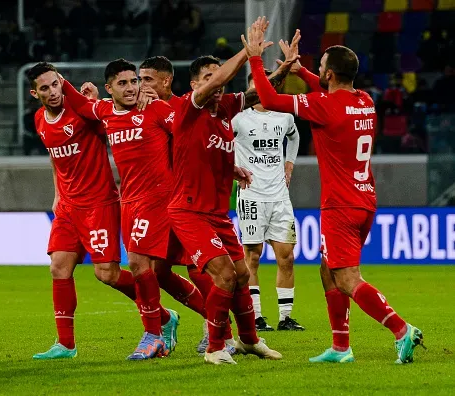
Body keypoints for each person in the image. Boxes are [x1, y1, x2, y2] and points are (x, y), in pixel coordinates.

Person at [244, 20, 424, 363]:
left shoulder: (324, 107)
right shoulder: (365, 100)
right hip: (365, 199)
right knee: (328, 270)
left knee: (346, 278)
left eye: (321, 67)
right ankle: (341, 346)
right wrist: (301, 70)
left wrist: (255, 59)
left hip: (340, 206)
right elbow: (327, 89)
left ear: (328, 75)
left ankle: (402, 330)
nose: (318, 72)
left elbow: (267, 96)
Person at [62, 58, 212, 359]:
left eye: (135, 81)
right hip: (130, 201)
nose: (132, 88)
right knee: (160, 272)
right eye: (124, 83)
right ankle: (215, 323)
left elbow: (190, 130)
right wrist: (65, 82)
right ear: (109, 89)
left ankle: (154, 334)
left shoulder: (156, 108)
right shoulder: (104, 111)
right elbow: (79, 105)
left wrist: (227, 164)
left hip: (160, 199)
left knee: (140, 262)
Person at [166, 18, 283, 365]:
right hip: (188, 211)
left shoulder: (224, 111)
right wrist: (245, 55)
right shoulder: (189, 108)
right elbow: (219, 81)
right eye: (207, 79)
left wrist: (279, 70)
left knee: (243, 273)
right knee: (225, 275)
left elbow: (253, 94)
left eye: (216, 79)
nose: (215, 86)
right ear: (194, 85)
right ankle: (216, 346)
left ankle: (249, 340)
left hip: (216, 213)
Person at [26, 62, 148, 361]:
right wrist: (57, 193)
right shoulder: (40, 119)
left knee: (106, 274)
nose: (52, 92)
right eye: (44, 88)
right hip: (68, 206)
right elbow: (56, 158)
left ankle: (158, 313)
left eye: (55, 84)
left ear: (61, 82)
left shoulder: (82, 110)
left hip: (99, 203)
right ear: (34, 93)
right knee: (58, 267)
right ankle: (66, 344)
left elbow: (112, 121)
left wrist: (95, 101)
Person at [138, 55, 237, 353]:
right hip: (151, 201)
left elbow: (200, 143)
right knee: (157, 270)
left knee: (199, 268)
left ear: (166, 81)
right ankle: (180, 321)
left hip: (185, 201)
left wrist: (232, 168)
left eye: (147, 80)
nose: (141, 86)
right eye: (137, 80)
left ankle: (222, 332)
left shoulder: (182, 107)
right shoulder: (142, 106)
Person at [233, 70, 304, 332]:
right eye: (255, 86)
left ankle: (286, 317)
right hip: (251, 195)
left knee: (286, 256)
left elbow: (295, 137)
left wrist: (289, 165)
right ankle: (257, 317)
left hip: (279, 197)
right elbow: (219, 143)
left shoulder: (285, 117)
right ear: (250, 88)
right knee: (252, 256)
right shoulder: (238, 119)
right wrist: (233, 169)